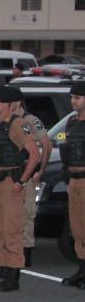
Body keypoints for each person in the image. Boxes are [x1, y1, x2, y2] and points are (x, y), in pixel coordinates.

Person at [0, 85, 39, 292]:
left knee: (12, 229)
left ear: (7, 105)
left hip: (10, 183)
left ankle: (13, 275)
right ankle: (2, 270)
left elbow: (34, 154)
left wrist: (22, 181)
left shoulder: (19, 124)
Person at [10, 86, 51, 267]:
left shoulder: (29, 121)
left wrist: (40, 171)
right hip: (10, 174)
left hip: (26, 172)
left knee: (26, 213)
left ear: (17, 102)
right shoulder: (5, 120)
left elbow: (46, 144)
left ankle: (25, 252)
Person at [60, 82, 85, 289]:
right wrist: (67, 179)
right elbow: (67, 153)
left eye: (77, 97)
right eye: (71, 97)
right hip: (74, 180)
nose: (72, 101)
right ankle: (82, 269)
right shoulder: (71, 122)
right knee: (77, 229)